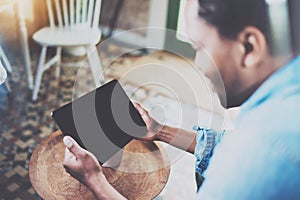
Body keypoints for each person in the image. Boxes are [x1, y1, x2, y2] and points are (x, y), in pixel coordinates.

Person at [63, 0, 300, 199]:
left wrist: (95, 181)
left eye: (199, 47)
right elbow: (228, 143)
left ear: (249, 47)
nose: (197, 64)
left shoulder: (258, 153)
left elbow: (247, 153)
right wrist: (160, 130)